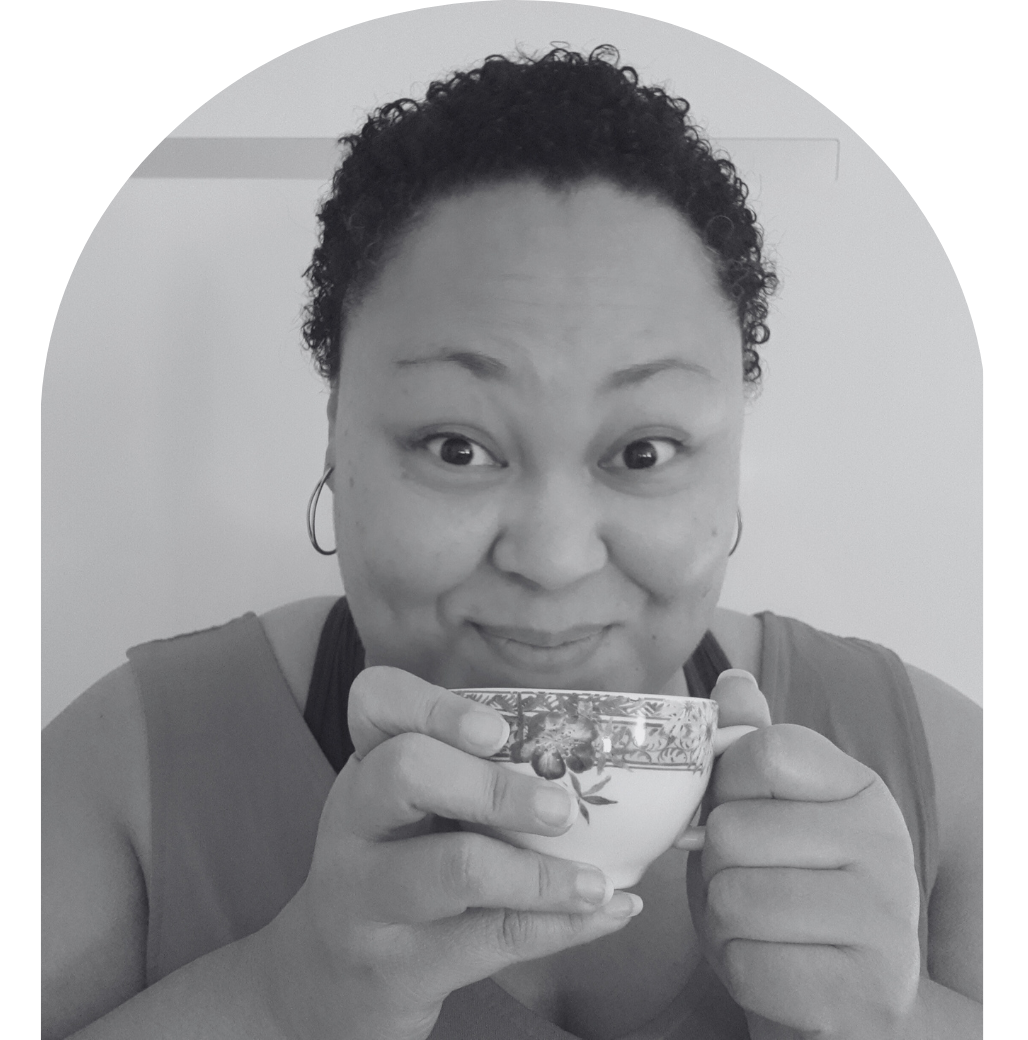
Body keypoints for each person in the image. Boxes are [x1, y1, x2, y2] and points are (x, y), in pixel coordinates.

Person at [40, 46, 984, 1040]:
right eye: (456, 447)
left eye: (644, 450)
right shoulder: (121, 778)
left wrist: (902, 1021)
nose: (554, 557)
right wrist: (280, 998)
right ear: (334, 440)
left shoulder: (940, 771)